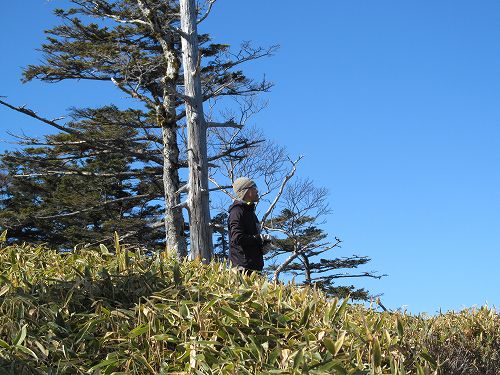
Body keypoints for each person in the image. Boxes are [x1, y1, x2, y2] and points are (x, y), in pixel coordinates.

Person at [228, 177, 272, 273]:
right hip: (242, 269)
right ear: (245, 191)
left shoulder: (250, 213)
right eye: (254, 187)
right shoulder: (237, 212)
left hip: (254, 269)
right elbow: (237, 238)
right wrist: (258, 238)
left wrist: (262, 246)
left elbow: (250, 240)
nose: (257, 190)